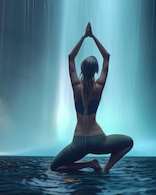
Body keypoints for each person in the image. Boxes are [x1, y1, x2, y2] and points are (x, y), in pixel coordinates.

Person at [50, 22, 133, 173]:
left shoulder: (76, 86)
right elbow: (107, 56)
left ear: (81, 70)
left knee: (55, 167)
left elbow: (70, 58)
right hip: (98, 140)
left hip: (79, 142)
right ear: (95, 70)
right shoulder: (99, 87)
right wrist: (93, 37)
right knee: (128, 143)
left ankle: (89, 164)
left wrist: (84, 37)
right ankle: (105, 169)